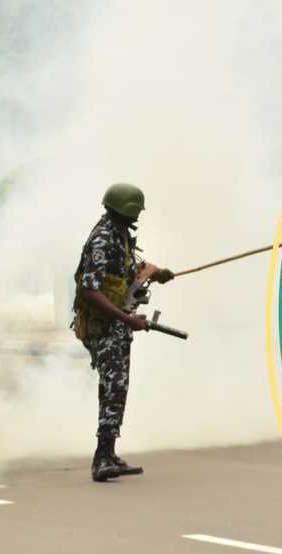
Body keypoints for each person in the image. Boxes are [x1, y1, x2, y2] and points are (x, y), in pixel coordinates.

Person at [72, 183, 175, 482]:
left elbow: (121, 273)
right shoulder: (103, 239)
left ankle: (109, 453)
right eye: (135, 212)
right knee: (113, 388)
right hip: (104, 326)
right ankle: (102, 459)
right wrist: (126, 319)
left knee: (116, 389)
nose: (137, 218)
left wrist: (155, 273)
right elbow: (90, 290)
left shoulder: (118, 235)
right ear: (125, 210)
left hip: (114, 325)